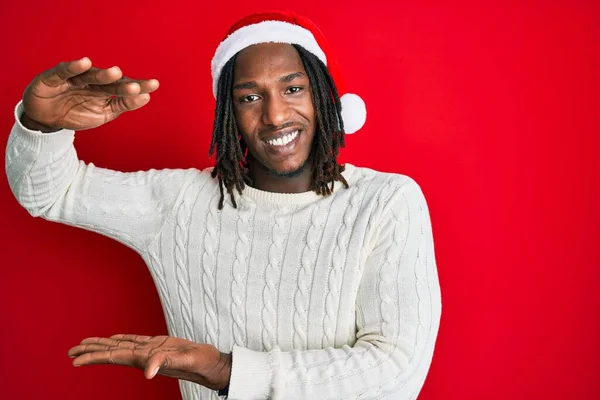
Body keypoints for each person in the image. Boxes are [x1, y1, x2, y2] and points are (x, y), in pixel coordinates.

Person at [5, 11, 442, 400]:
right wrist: (40, 124)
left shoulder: (385, 202)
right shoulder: (180, 204)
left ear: (324, 97)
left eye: (293, 88)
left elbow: (395, 370)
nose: (274, 116)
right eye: (249, 97)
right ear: (228, 115)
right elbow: (52, 191)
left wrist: (227, 371)